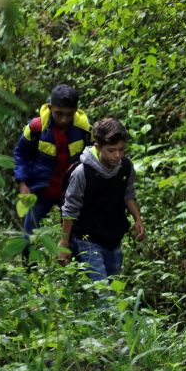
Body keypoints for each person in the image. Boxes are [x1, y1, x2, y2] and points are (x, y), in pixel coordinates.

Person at [57, 118, 145, 281]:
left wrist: (137, 218)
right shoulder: (82, 173)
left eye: (121, 149)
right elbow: (70, 209)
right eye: (111, 150)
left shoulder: (125, 167)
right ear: (98, 147)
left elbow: (128, 193)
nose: (117, 155)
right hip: (87, 239)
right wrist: (64, 244)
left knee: (113, 287)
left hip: (113, 238)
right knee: (102, 293)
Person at [13, 84, 92, 236]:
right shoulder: (36, 128)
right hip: (41, 190)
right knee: (29, 236)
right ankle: (29, 261)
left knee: (75, 238)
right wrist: (23, 183)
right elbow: (21, 153)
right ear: (50, 107)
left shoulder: (85, 130)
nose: (64, 119)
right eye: (59, 113)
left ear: (76, 111)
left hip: (72, 192)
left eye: (69, 114)